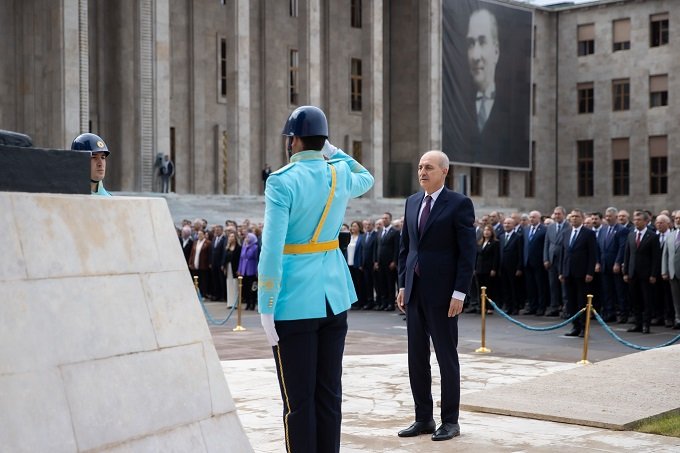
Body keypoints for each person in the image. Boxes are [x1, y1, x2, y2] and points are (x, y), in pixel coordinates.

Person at [257, 105, 374, 453]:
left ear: (293, 140)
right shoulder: (338, 175)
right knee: (328, 394)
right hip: (333, 298)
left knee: (298, 402)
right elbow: (366, 176)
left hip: (294, 301)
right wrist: (333, 151)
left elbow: (272, 249)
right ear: (322, 141)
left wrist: (266, 305)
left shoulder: (281, 181)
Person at [396, 150, 476, 442]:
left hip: (444, 295)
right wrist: (403, 285)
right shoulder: (412, 202)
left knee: (446, 358)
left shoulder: (459, 204)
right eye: (419, 167)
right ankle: (423, 418)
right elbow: (406, 248)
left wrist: (460, 292)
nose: (422, 172)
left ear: (444, 171)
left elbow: (468, 253)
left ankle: (450, 421)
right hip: (414, 293)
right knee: (416, 358)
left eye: (428, 167)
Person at [559, 209, 597, 337]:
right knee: (570, 301)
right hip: (568, 272)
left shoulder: (588, 234)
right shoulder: (566, 233)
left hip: (582, 273)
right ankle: (575, 326)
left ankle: (583, 327)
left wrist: (590, 272)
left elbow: (592, 254)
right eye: (572, 216)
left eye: (577, 216)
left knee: (582, 301)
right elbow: (563, 254)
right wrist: (561, 271)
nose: (574, 218)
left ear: (582, 218)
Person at [623, 211, 660, 334]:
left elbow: (656, 257)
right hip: (633, 273)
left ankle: (646, 324)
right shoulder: (631, 235)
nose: (636, 222)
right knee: (635, 300)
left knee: (646, 300)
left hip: (646, 274)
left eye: (639, 220)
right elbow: (627, 255)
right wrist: (626, 272)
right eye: (635, 220)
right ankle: (637, 323)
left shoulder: (653, 236)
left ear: (645, 221)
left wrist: (654, 274)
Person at [238, 232, 259, 310]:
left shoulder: (255, 247)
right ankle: (247, 303)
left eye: (248, 237)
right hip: (244, 270)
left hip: (252, 270)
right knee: (246, 288)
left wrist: (257, 270)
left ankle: (252, 304)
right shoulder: (244, 246)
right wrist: (239, 270)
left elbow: (256, 259)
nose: (246, 239)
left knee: (252, 289)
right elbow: (241, 259)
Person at [222, 231, 241, 308]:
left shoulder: (238, 247)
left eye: (232, 236)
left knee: (235, 284)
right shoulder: (227, 247)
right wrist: (223, 266)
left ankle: (235, 303)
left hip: (235, 268)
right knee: (229, 284)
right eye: (229, 236)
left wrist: (239, 269)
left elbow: (240, 259)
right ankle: (230, 303)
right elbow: (224, 258)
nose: (230, 238)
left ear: (235, 238)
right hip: (228, 267)